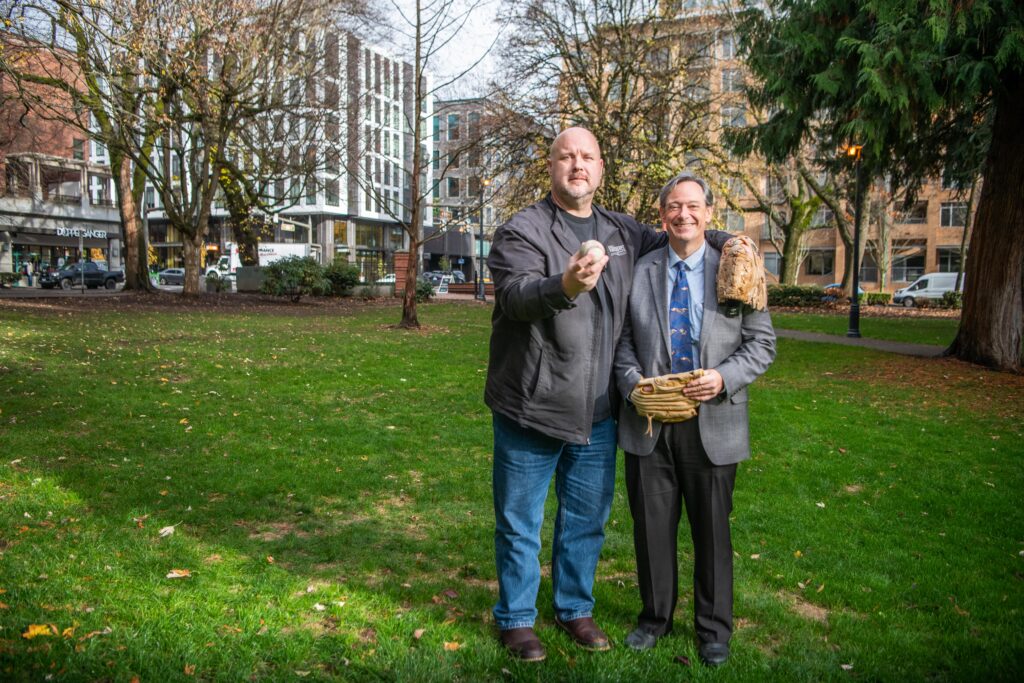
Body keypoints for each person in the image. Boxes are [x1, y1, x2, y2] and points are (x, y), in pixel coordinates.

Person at [485, 128, 732, 662]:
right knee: (520, 521)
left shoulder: (622, 230)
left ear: (601, 168)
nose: (578, 165)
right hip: (533, 407)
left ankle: (574, 608)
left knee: (585, 520)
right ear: (550, 166)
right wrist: (565, 285)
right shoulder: (521, 230)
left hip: (599, 412)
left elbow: (683, 232)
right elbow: (515, 297)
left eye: (588, 157)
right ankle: (517, 619)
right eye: (567, 156)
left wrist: (733, 244)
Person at [613, 172, 775, 667]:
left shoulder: (738, 267)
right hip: (649, 425)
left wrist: (724, 378)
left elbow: (762, 344)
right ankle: (655, 618)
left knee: (712, 534)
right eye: (673, 208)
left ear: (708, 214)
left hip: (714, 424)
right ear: (662, 217)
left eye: (692, 206)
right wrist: (632, 383)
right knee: (652, 529)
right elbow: (621, 344)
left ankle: (713, 631)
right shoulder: (640, 271)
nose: (683, 214)